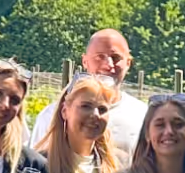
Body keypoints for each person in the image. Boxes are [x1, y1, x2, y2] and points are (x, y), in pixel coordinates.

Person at [29, 29, 149, 164]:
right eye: (100, 56)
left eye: (116, 58)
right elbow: (36, 165)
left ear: (128, 63)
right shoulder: (50, 116)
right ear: (85, 61)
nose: (108, 65)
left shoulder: (142, 114)